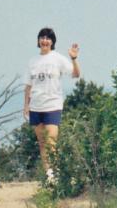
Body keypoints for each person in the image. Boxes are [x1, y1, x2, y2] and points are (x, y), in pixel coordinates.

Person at [23, 27, 80, 183]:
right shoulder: (32, 61)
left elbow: (75, 74)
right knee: (42, 143)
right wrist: (26, 106)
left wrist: (74, 59)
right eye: (42, 37)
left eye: (48, 38)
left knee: (51, 141)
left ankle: (57, 172)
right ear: (38, 41)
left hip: (53, 105)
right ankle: (49, 176)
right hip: (36, 106)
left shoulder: (58, 58)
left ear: (52, 42)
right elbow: (28, 85)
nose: (45, 40)